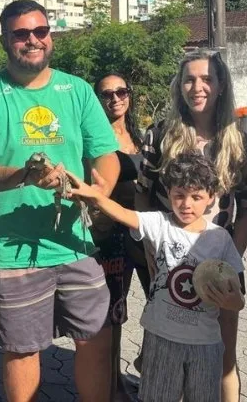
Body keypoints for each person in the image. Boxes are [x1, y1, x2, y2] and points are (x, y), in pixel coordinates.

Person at [0, 0, 120, 402]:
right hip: (12, 250)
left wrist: (101, 191)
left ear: (50, 35)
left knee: (97, 338)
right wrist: (23, 176)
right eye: (21, 34)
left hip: (74, 242)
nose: (32, 40)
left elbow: (105, 154)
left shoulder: (77, 90)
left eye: (41, 31)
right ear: (4, 41)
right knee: (23, 350)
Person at [68, 151, 246, 402]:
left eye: (196, 197)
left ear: (211, 198)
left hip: (206, 344)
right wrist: (97, 197)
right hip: (161, 339)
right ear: (168, 193)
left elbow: (237, 296)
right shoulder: (160, 224)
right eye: (179, 195)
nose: (186, 204)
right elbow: (124, 214)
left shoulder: (220, 239)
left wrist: (233, 303)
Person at [136, 48, 247, 402]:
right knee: (165, 347)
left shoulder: (239, 143)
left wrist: (228, 259)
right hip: (169, 262)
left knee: (224, 358)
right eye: (189, 79)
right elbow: (143, 197)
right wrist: (152, 253)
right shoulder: (159, 134)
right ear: (179, 86)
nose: (197, 87)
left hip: (220, 265)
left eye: (206, 79)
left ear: (220, 86)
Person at [90, 74, 148, 401]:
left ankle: (144, 365)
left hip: (143, 234)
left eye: (121, 91)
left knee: (160, 302)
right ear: (98, 99)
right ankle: (112, 385)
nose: (115, 99)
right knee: (114, 315)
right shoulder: (96, 139)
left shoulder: (139, 136)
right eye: (106, 93)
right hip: (111, 237)